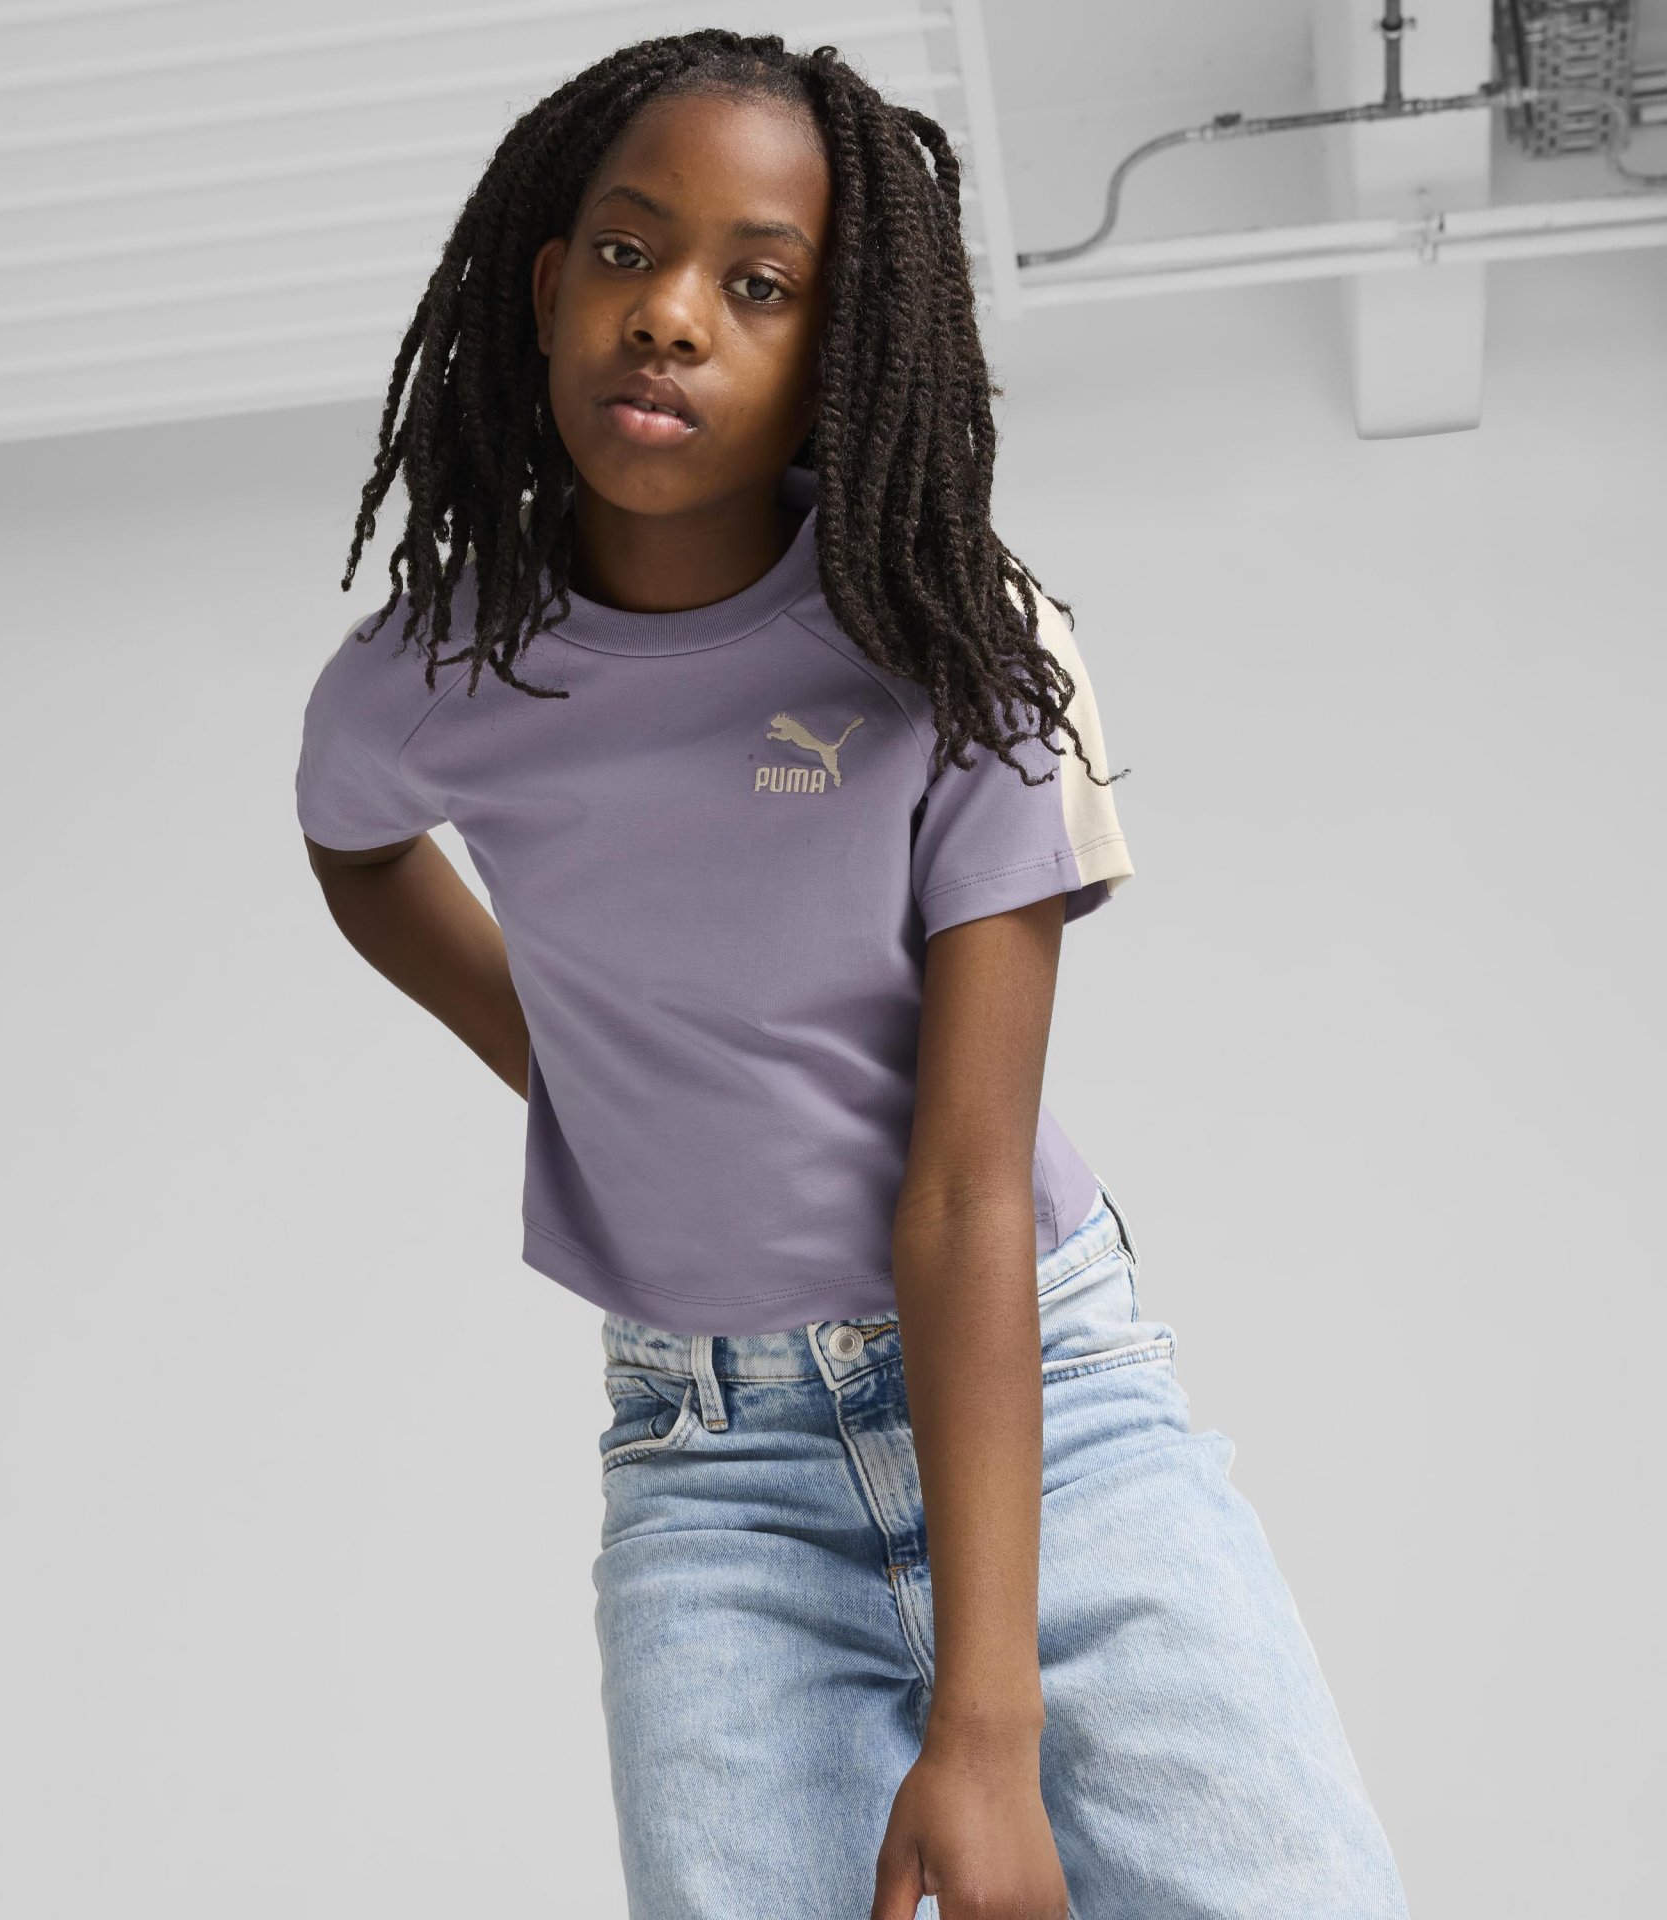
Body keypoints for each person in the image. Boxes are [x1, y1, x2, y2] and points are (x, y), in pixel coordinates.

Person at [295, 30, 1410, 1920]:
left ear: (840, 351)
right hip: (711, 1473)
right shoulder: (429, 678)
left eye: (759, 286)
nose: (671, 314)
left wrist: (987, 1735)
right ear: (548, 285)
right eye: (628, 252)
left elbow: (967, 1190)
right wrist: (585, 1073)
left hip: (1049, 1402)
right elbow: (358, 852)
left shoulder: (960, 649)